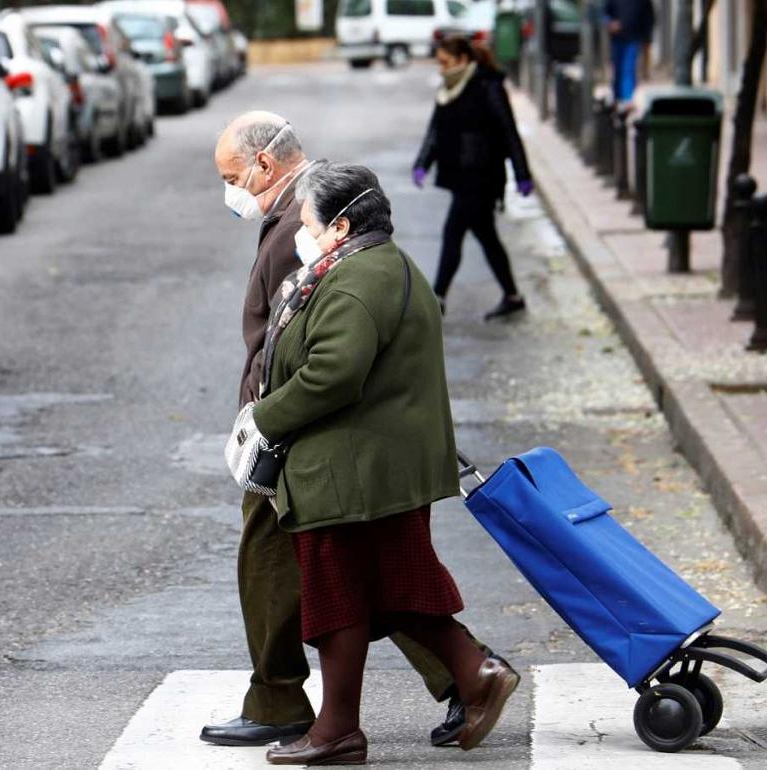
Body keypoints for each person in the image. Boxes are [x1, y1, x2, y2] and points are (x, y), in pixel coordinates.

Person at [207, 113, 489, 750]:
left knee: (345, 584)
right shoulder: (346, 245)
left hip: (332, 452)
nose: (231, 193)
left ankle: (328, 709)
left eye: (233, 178)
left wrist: (263, 417)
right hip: (343, 450)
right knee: (374, 581)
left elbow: (327, 365)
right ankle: (462, 677)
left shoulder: (336, 258)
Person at [413, 36, 533, 321]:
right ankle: (512, 295)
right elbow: (436, 130)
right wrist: (422, 163)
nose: (441, 69)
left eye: (446, 62)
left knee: (453, 232)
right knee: (487, 237)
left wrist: (522, 174)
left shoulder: (487, 87)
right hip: (459, 175)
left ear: (463, 60)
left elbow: (508, 132)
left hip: (482, 176)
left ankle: (437, 297)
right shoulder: (450, 88)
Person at [603, 0, 657, 110]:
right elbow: (605, 13)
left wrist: (647, 38)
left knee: (628, 68)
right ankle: (617, 97)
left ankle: (627, 99)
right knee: (618, 68)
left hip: (634, 37)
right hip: (617, 38)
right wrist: (610, 23)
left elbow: (649, 16)